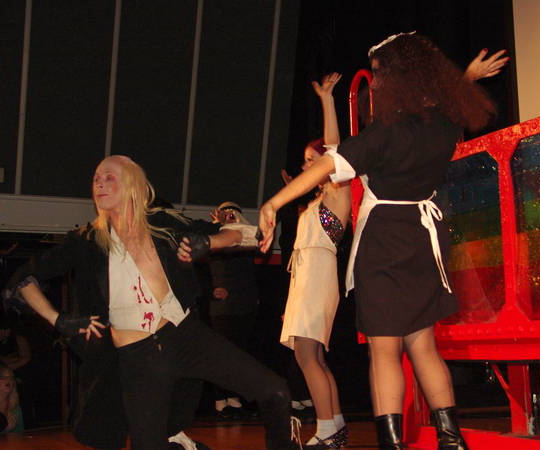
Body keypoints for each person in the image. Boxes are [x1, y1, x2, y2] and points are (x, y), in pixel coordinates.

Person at [259, 33, 505, 450]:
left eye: (378, 73)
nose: (374, 82)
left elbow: (326, 165)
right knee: (423, 346)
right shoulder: (445, 123)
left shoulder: (386, 132)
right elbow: (442, 102)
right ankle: (452, 440)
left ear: (399, 77)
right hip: (424, 239)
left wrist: (274, 202)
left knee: (384, 351)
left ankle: (392, 444)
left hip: (386, 240)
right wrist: (467, 78)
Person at [7, 155, 300, 450]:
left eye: (109, 177)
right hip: (138, 356)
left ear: (133, 185)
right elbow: (23, 280)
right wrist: (57, 319)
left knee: (274, 391)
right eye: (96, 179)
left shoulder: (163, 225)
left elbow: (246, 235)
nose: (100, 184)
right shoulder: (86, 241)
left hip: (185, 334)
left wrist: (209, 243)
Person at [277, 72, 350, 449]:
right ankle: (334, 426)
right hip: (307, 278)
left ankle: (326, 430)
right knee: (314, 357)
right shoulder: (317, 201)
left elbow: (335, 148)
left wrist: (327, 100)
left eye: (311, 161)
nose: (306, 167)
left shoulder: (337, 191)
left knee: (308, 356)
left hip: (318, 276)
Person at [207, 201, 260, 420]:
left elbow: (258, 240)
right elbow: (201, 266)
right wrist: (212, 289)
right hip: (223, 307)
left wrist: (239, 223)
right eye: (225, 212)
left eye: (233, 212)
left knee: (240, 354)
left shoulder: (245, 239)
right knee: (221, 354)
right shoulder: (215, 238)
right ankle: (221, 401)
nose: (229, 215)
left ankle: (234, 399)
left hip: (244, 305)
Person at [0, 366, 24, 434]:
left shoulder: (16, 409)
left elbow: (21, 434)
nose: (8, 379)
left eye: (11, 377)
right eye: (1, 377)